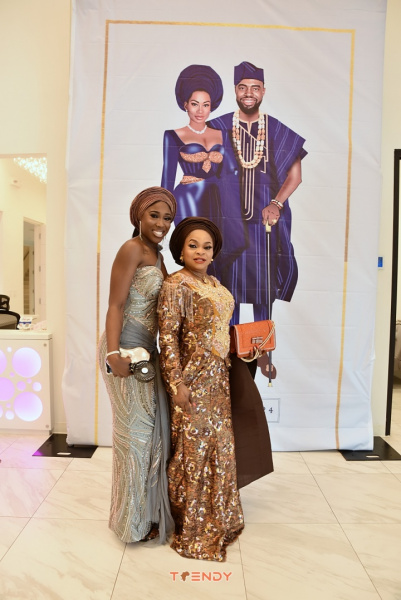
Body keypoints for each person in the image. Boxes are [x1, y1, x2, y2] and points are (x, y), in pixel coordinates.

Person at [157, 217, 244, 561]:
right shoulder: (176, 284)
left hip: (219, 378)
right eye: (193, 245)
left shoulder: (214, 283)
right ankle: (192, 524)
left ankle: (219, 517)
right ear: (180, 249)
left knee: (220, 447)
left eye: (207, 247)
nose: (200, 251)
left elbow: (220, 329)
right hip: (191, 380)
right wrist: (176, 383)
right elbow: (167, 337)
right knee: (192, 452)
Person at [98, 186, 176, 544]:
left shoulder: (157, 256)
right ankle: (129, 525)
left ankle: (143, 517)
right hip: (124, 351)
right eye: (154, 215)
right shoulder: (132, 248)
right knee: (134, 439)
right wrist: (113, 355)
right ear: (139, 217)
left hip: (146, 353)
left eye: (167, 218)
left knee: (149, 438)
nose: (161, 223)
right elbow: (115, 305)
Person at [208, 61, 307, 326]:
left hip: (265, 226)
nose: (248, 93)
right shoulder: (216, 127)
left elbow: (295, 176)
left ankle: (262, 347)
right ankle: (229, 346)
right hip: (227, 224)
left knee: (263, 292)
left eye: (255, 87)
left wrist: (277, 203)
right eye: (243, 87)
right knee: (226, 294)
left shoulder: (276, 129)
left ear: (263, 91)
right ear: (235, 90)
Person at [161, 64, 246, 281]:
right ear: (185, 105)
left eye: (205, 105)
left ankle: (217, 298)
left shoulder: (224, 134)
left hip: (219, 201)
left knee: (220, 253)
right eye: (195, 104)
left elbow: (231, 173)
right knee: (195, 253)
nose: (200, 111)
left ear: (211, 106)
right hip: (189, 200)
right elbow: (166, 180)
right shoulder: (173, 135)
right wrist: (163, 218)